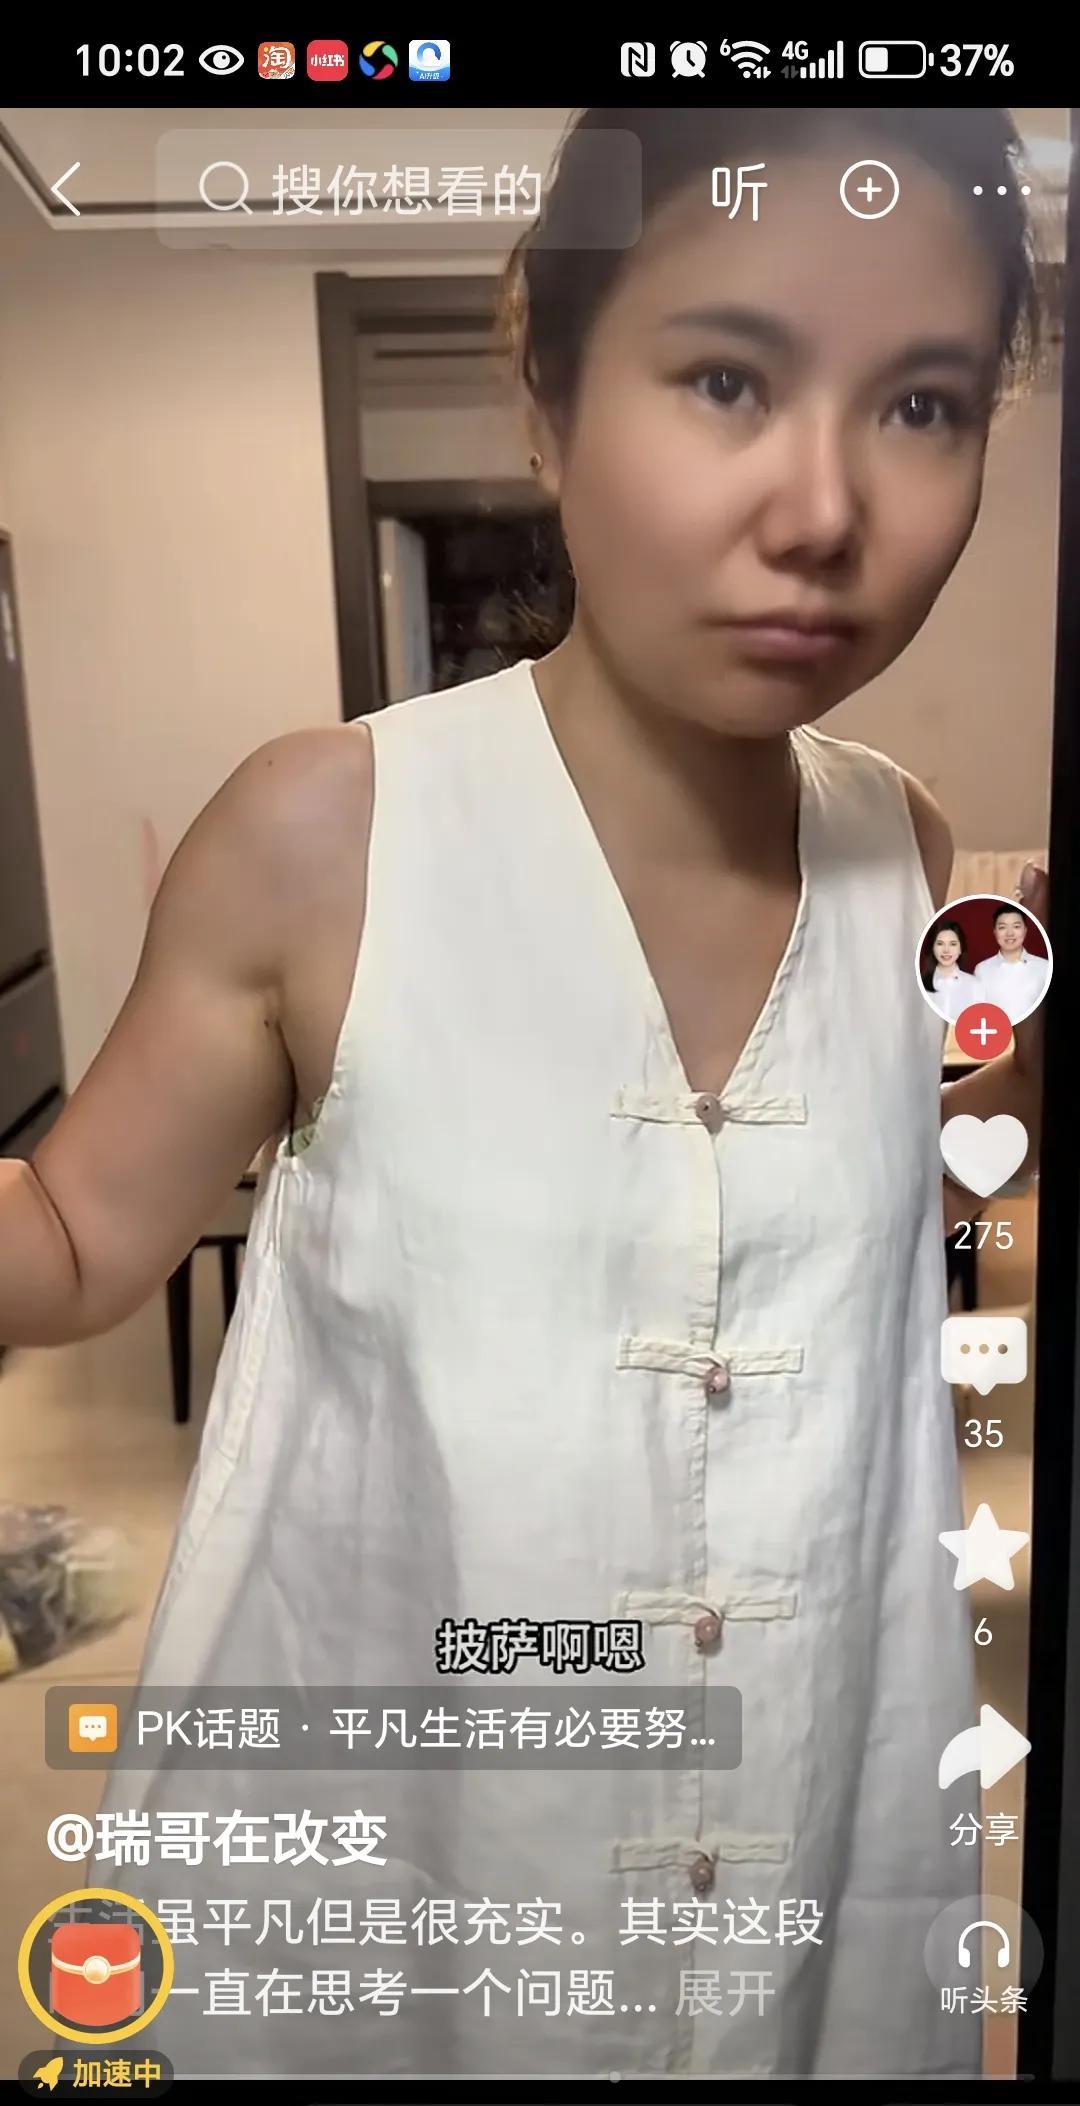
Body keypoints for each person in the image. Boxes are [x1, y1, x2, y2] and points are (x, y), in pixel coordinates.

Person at [0, 107, 1048, 2080]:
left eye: (923, 404)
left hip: (811, 1821)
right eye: (727, 379)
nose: (825, 507)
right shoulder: (328, 831)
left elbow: (934, 1219)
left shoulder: (909, 857)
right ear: (547, 391)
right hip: (424, 1852)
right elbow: (67, 1239)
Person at [974, 901, 1051, 1022]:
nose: (1009, 933)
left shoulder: (1045, 967)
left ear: (1025, 930)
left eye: (1016, 926)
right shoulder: (982, 969)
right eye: (1002, 927)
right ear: (995, 932)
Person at [921, 916, 982, 1020]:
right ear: (932, 948)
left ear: (960, 948)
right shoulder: (920, 984)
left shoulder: (974, 985)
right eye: (940, 944)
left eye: (953, 944)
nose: (946, 950)